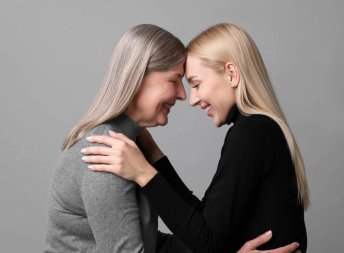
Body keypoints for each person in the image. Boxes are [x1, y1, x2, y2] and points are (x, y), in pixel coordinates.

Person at [45, 24, 300, 253]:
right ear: (137, 78)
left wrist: (150, 165)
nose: (184, 96)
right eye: (175, 80)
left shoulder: (130, 150)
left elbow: (185, 236)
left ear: (232, 74)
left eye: (193, 83)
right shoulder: (105, 153)